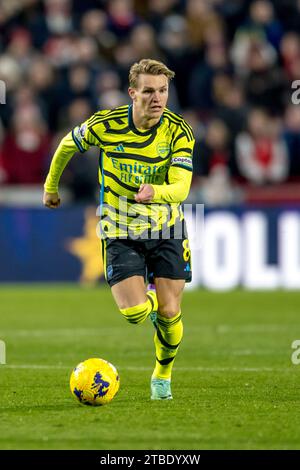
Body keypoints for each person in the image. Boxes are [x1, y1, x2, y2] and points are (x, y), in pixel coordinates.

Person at [43, 59, 195, 400]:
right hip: (119, 228)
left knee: (172, 314)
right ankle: (154, 302)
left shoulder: (177, 131)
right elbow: (68, 143)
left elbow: (182, 187)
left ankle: (162, 376)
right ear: (132, 93)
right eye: (148, 91)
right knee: (136, 313)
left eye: (163, 91)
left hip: (165, 228)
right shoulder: (106, 124)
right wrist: (51, 187)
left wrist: (156, 192)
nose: (157, 99)